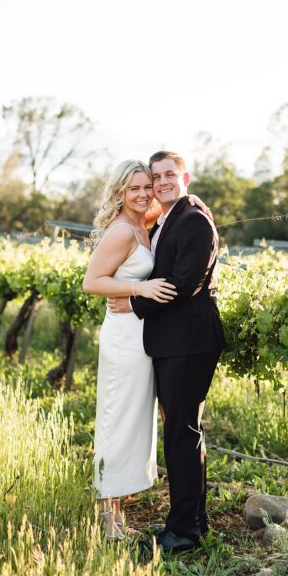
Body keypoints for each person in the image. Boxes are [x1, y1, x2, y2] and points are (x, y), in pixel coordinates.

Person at [109, 150, 225, 555]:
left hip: (189, 342)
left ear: (185, 176)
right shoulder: (169, 217)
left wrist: (133, 303)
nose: (160, 182)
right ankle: (191, 521)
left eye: (168, 175)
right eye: (155, 176)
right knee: (184, 432)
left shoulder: (193, 219)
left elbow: (184, 283)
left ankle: (183, 535)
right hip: (178, 341)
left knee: (181, 434)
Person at [81, 160, 176, 540]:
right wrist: (139, 290)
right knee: (116, 420)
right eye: (132, 188)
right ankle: (107, 522)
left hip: (141, 337)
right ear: (120, 192)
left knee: (133, 419)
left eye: (145, 187)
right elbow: (92, 282)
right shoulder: (122, 231)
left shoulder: (144, 225)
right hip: (123, 338)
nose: (141, 194)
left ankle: (118, 516)